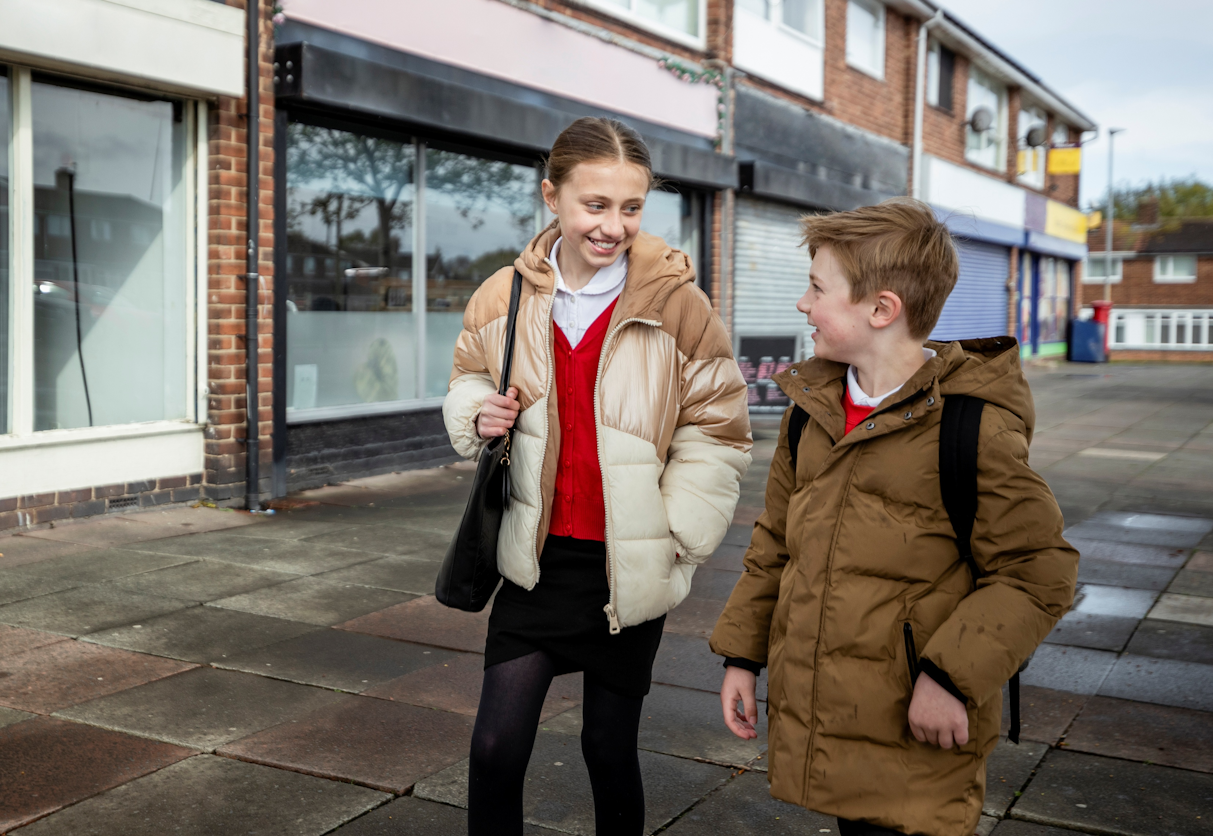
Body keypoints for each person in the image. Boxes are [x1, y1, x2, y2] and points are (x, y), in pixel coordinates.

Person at [710, 199, 1078, 836]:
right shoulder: (810, 412)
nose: (802, 303)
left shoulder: (971, 427)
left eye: (817, 288)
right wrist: (741, 657)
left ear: (881, 310)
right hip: (838, 720)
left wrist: (950, 677)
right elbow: (775, 543)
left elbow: (1038, 571)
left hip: (920, 725)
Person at [443, 116, 752, 836]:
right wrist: (476, 412)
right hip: (535, 560)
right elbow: (466, 376)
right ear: (551, 195)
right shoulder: (503, 294)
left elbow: (717, 427)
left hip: (626, 564)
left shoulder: (679, 305)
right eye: (595, 205)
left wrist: (677, 533)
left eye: (631, 207)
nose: (613, 225)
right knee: (494, 747)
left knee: (608, 747)